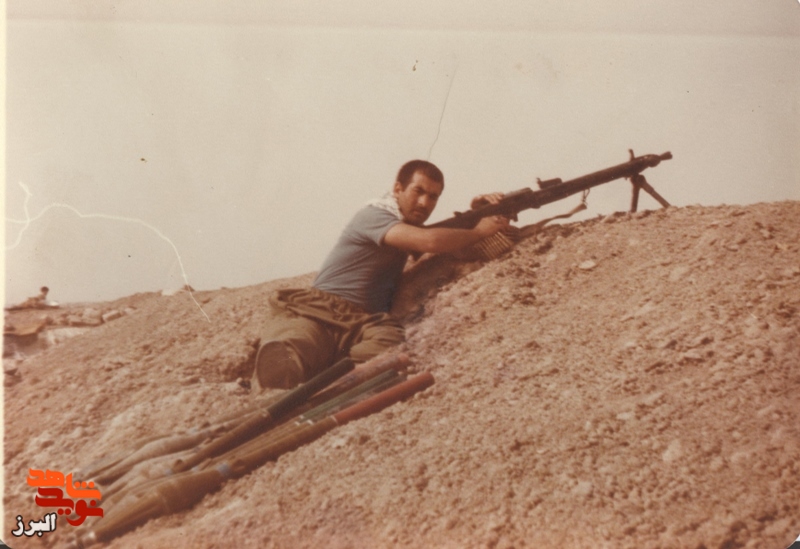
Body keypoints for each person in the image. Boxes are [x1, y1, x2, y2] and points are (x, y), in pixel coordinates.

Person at [253, 160, 509, 389]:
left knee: (390, 345)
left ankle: (327, 382)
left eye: (433, 197)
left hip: (364, 322)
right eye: (418, 191)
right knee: (294, 348)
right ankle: (286, 378)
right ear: (398, 189)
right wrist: (479, 231)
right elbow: (431, 241)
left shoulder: (407, 224)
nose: (424, 203)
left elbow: (447, 237)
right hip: (319, 311)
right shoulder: (375, 215)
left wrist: (479, 212)